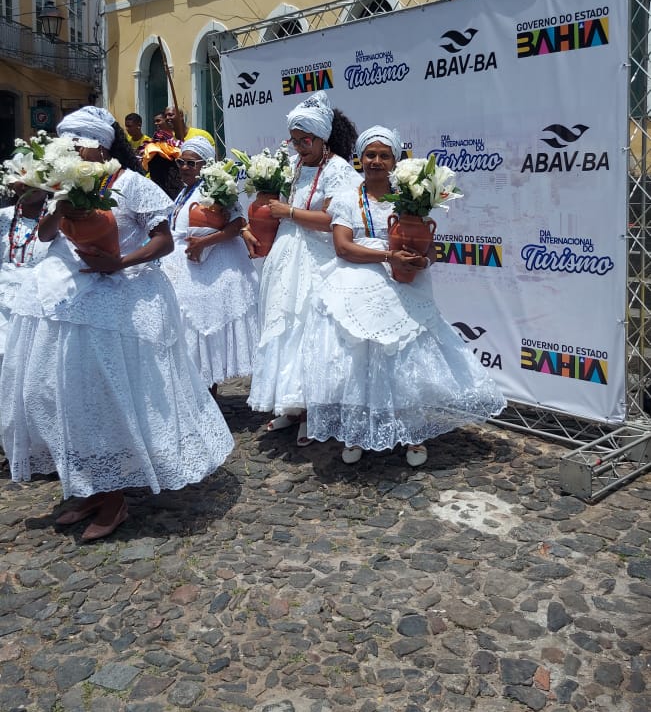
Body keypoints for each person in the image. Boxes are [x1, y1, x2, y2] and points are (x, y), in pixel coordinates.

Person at [0, 106, 234, 540]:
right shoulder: (66, 183)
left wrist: (120, 261)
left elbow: (163, 241)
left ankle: (115, 498)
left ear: (99, 147)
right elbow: (48, 235)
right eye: (65, 143)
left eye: (77, 144)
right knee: (64, 394)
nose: (69, 150)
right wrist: (57, 200)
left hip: (122, 298)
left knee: (111, 397)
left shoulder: (132, 185)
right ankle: (90, 485)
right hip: (68, 299)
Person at [302, 126, 506, 466]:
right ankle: (357, 433)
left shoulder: (411, 195)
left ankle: (415, 434)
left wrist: (423, 259)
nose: (376, 161)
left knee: (405, 363)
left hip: (405, 287)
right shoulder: (347, 198)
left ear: (396, 161)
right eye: (370, 155)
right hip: (357, 289)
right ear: (360, 158)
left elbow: (430, 246)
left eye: (384, 155)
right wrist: (388, 257)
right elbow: (342, 247)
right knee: (360, 363)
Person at [245, 91, 359, 445]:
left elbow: (332, 220)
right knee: (284, 329)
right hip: (286, 259)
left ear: (322, 137)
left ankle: (314, 411)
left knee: (309, 332)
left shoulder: (339, 170)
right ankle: (289, 405)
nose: (298, 147)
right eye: (294, 141)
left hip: (318, 261)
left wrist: (288, 213)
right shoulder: (295, 166)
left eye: (305, 140)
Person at [162, 137, 259, 392]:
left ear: (204, 165)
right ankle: (195, 391)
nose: (184, 167)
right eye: (181, 162)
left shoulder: (215, 187)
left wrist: (204, 243)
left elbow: (238, 223)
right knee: (187, 332)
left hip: (208, 271)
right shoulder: (186, 191)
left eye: (191, 163)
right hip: (184, 268)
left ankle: (207, 392)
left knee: (204, 333)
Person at [0, 180, 50, 358]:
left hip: (39, 307)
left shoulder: (60, 220)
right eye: (21, 176)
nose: (27, 184)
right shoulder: (3, 216)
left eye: (36, 178)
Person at [142, 113, 182, 198]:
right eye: (155, 121)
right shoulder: (155, 140)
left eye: (158, 121)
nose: (156, 123)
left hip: (173, 178)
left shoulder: (177, 138)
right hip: (158, 178)